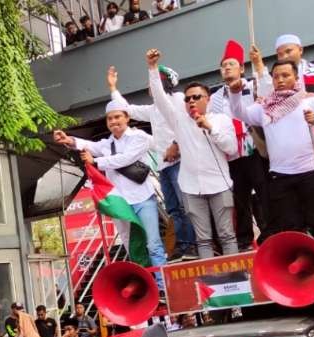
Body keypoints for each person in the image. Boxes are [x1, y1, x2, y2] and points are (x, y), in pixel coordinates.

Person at [54, 104, 168, 282]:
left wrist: (96, 162)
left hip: (143, 199)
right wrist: (68, 140)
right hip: (120, 203)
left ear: (127, 118)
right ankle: (148, 285)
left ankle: (163, 286)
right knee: (132, 246)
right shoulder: (108, 144)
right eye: (110, 118)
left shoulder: (139, 136)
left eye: (117, 117)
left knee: (153, 243)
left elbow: (125, 159)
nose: (114, 121)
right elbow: (89, 145)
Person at [229, 59, 314, 240]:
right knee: (291, 227)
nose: (280, 80)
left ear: (296, 77)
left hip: (310, 171)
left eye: (286, 75)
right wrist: (235, 95)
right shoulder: (265, 107)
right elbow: (241, 114)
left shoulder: (310, 102)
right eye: (276, 76)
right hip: (280, 175)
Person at [145, 49, 239, 258]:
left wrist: (210, 128)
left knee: (227, 235)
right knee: (203, 239)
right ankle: (211, 284)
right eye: (187, 99)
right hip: (191, 187)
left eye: (197, 97)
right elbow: (160, 99)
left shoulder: (221, 120)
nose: (191, 102)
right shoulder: (178, 121)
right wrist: (152, 69)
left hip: (219, 184)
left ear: (207, 99)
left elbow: (231, 148)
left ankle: (236, 279)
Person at [106, 61, 197, 261]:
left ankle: (192, 245)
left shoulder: (179, 99)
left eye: (155, 82)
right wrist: (113, 88)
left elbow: (187, 126)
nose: (150, 87)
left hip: (180, 162)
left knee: (185, 205)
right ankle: (182, 246)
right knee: (173, 208)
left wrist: (176, 144)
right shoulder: (153, 109)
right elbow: (127, 109)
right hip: (164, 166)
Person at [209, 40, 270, 250]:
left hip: (253, 148)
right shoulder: (215, 97)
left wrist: (259, 64)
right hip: (232, 154)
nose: (226, 67)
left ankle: (270, 232)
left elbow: (268, 95)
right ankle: (244, 239)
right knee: (240, 197)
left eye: (231, 64)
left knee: (264, 192)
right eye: (223, 65)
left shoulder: (253, 86)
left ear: (242, 68)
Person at [268, 33, 314, 108]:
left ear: (300, 50)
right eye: (280, 54)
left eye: (288, 51)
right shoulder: (276, 77)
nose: (284, 56)